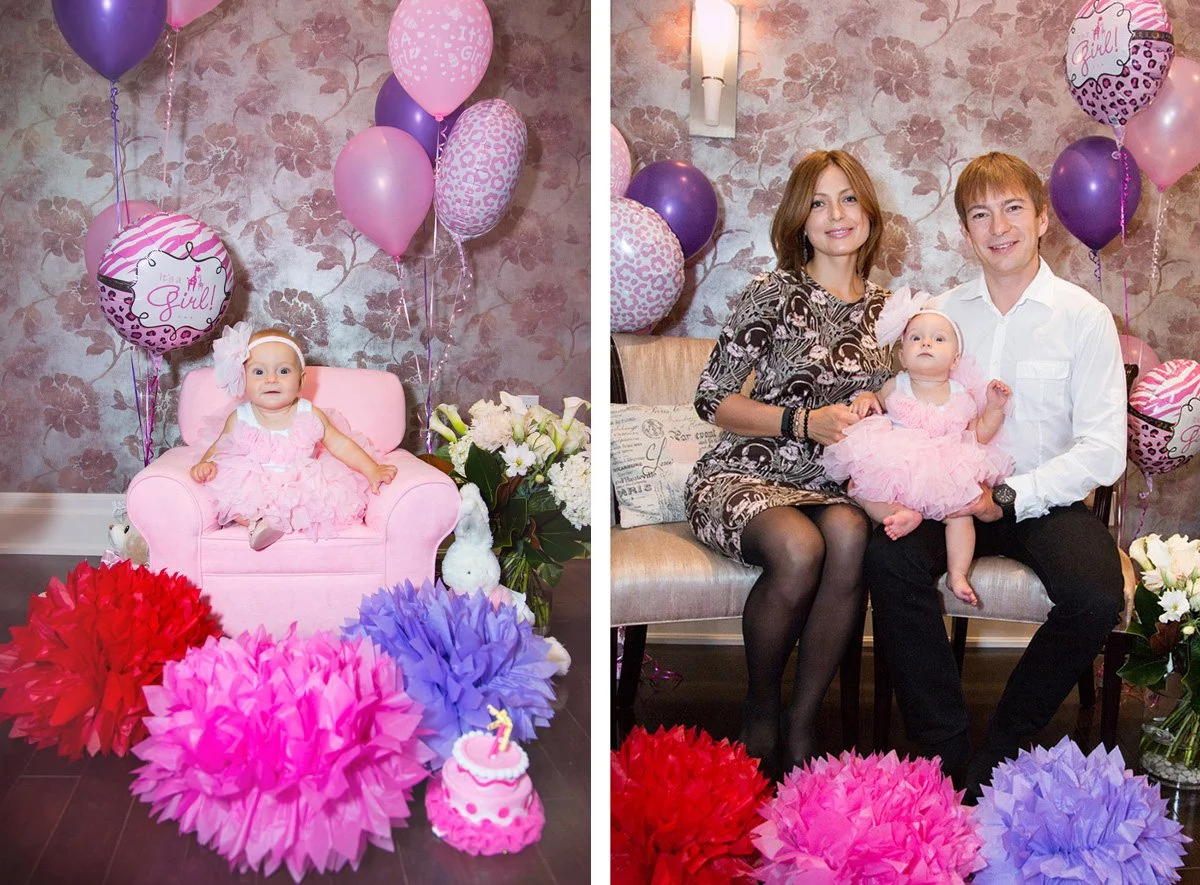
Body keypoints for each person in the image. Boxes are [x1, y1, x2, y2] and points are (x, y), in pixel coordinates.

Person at [864, 152, 1127, 799]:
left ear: (1041, 219)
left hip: (1041, 498)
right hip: (949, 494)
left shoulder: (1083, 317)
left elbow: (1103, 450)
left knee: (1096, 595)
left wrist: (1006, 497)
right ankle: (945, 750)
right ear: (965, 231)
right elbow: (910, 402)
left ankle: (1004, 747)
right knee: (888, 560)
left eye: (1013, 208)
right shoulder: (944, 313)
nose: (998, 226)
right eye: (980, 214)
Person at [684, 150, 893, 777]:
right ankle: (760, 707)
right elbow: (712, 399)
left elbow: (913, 396)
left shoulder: (893, 312)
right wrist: (803, 422)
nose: (837, 214)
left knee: (849, 532)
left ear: (868, 210)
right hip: (743, 472)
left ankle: (803, 722)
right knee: (800, 548)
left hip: (834, 485)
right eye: (819, 202)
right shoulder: (772, 293)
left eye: (848, 198)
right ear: (799, 220)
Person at [822, 292, 1013, 605]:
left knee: (960, 515)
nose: (926, 343)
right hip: (897, 463)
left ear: (955, 360)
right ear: (902, 355)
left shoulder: (960, 394)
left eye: (938, 339)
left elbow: (978, 433)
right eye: (916, 338)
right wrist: (867, 399)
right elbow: (876, 403)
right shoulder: (896, 385)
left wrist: (993, 408)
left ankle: (957, 573)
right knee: (860, 489)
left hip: (942, 470)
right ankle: (900, 514)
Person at [190, 322, 397, 550]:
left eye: (283, 371)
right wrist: (206, 463)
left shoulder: (309, 414)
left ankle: (280, 521)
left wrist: (371, 469)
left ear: (301, 380)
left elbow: (341, 445)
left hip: (299, 483)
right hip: (255, 484)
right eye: (259, 372)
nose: (271, 379)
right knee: (231, 497)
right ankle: (258, 523)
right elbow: (220, 448)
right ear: (244, 379)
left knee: (314, 501)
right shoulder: (241, 417)